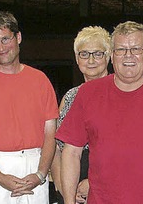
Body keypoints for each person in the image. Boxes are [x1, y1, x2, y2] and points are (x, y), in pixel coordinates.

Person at [56, 21, 143, 204]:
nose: (128, 56)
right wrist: (69, 201)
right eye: (121, 50)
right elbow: (71, 152)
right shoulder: (88, 94)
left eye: (136, 49)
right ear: (112, 55)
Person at [0, 11, 58, 204]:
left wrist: (40, 174)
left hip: (35, 169)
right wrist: (0, 178)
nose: (1, 47)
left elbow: (50, 133)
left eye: (5, 39)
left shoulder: (40, 80)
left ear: (18, 37)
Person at [50, 26, 111, 204]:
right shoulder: (70, 96)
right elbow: (56, 149)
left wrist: (94, 183)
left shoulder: (120, 94)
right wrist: (65, 189)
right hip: (70, 186)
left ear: (108, 57)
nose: (91, 60)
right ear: (77, 59)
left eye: (97, 53)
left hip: (108, 185)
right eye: (84, 54)